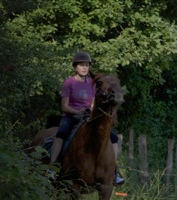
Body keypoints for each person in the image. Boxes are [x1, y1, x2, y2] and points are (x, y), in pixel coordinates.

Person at [48, 51, 124, 186]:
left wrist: (92, 110)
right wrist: (78, 112)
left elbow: (94, 102)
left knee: (113, 137)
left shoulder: (94, 83)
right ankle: (53, 166)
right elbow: (64, 106)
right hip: (71, 116)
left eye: (87, 65)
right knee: (62, 132)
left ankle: (114, 170)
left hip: (88, 117)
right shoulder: (69, 83)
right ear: (75, 67)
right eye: (81, 65)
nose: (84, 68)